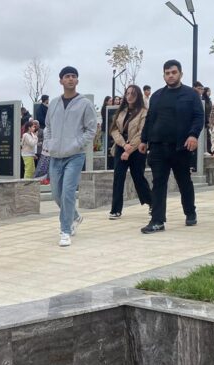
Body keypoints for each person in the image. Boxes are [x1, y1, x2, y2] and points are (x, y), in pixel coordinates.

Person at [139, 59, 203, 233]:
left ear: (181, 74)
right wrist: (144, 140)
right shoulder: (157, 96)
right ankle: (157, 220)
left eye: (174, 72)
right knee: (158, 183)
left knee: (184, 182)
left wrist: (193, 135)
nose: (171, 75)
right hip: (158, 147)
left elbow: (198, 117)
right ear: (164, 76)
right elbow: (150, 119)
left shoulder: (191, 95)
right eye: (167, 73)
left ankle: (190, 212)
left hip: (180, 147)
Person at [43, 66, 98, 247]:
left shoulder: (85, 104)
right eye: (67, 76)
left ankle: (65, 231)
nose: (70, 79)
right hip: (55, 156)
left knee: (68, 192)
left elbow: (91, 129)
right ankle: (74, 216)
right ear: (61, 80)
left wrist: (77, 144)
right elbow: (48, 127)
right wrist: (49, 144)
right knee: (56, 194)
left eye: (74, 76)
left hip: (75, 155)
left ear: (77, 80)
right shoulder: (54, 104)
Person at [108, 84, 151, 219]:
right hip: (121, 147)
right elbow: (114, 129)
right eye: (127, 93)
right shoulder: (121, 111)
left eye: (133, 94)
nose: (129, 96)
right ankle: (115, 210)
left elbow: (142, 132)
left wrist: (130, 148)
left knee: (138, 177)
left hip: (137, 149)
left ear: (138, 96)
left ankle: (152, 202)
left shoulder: (144, 112)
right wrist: (123, 144)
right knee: (118, 177)